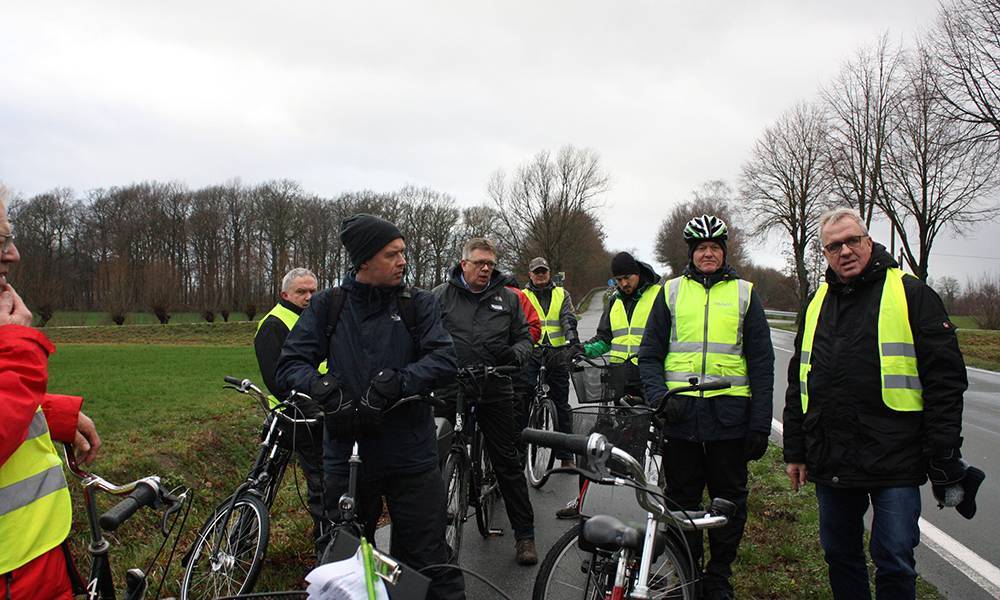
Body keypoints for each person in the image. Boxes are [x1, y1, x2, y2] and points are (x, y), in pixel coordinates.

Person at [783, 207, 978, 600]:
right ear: (824, 254)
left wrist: (943, 453)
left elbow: (945, 381)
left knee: (894, 558)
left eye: (853, 241)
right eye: (834, 246)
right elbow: (798, 381)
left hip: (896, 460)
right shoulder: (816, 303)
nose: (845, 251)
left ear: (868, 241)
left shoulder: (911, 293)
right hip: (833, 457)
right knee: (840, 556)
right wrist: (796, 450)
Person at [276, 214, 464, 600]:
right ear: (364, 261)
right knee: (342, 559)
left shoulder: (419, 304)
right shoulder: (329, 305)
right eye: (392, 254)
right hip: (347, 454)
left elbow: (445, 359)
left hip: (410, 454)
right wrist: (326, 390)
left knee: (428, 562)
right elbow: (291, 364)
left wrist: (400, 382)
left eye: (403, 253)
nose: (402, 261)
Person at [639, 214, 774, 600]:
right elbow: (649, 356)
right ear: (691, 254)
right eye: (702, 249)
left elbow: (762, 363)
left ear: (724, 252)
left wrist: (760, 423)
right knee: (681, 501)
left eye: (715, 248)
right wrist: (659, 400)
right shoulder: (671, 292)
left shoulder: (745, 294)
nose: (708, 254)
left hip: (729, 418)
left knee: (728, 501)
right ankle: (689, 572)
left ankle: (719, 575)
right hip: (680, 417)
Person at [1, 197, 102, 600]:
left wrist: (49, 412)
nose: (13, 253)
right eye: (2, 240)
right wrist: (14, 347)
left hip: (33, 560)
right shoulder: (10, 344)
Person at [431, 237, 538, 565]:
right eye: (479, 263)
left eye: (490, 264)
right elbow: (423, 335)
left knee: (506, 460)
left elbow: (525, 337)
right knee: (432, 460)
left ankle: (525, 536)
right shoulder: (440, 296)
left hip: (495, 385)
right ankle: (430, 536)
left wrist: (517, 354)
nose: (486, 269)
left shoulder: (508, 298)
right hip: (452, 386)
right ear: (464, 264)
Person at [554, 251, 661, 519]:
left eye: (627, 277)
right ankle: (585, 501)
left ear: (637, 272)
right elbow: (605, 338)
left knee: (648, 448)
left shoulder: (659, 297)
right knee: (599, 441)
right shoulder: (614, 301)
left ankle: (646, 507)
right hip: (618, 382)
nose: (624, 284)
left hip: (649, 383)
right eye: (618, 279)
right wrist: (583, 350)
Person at [253, 267, 326, 543]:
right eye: (301, 292)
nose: (308, 297)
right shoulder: (274, 324)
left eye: (312, 291)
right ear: (285, 294)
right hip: (294, 417)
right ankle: (326, 545)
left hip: (316, 411)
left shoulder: (313, 320)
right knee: (319, 484)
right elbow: (277, 380)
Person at [521, 257, 581, 468]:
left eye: (543, 271)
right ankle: (520, 453)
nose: (540, 275)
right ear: (530, 274)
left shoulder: (561, 294)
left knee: (561, 404)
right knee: (523, 397)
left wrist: (572, 338)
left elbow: (567, 317)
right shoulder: (523, 296)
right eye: (536, 272)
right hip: (531, 352)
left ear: (549, 273)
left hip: (557, 352)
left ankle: (566, 457)